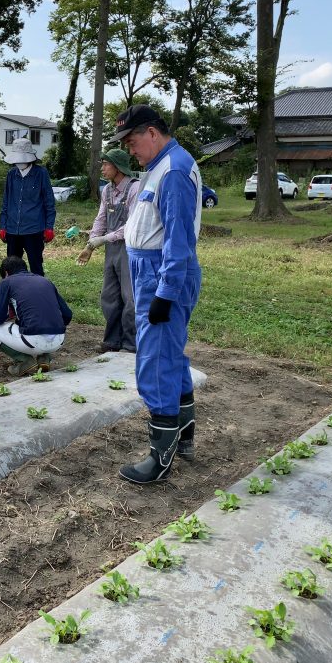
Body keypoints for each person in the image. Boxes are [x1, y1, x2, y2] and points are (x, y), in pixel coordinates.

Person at [112, 104, 203, 485]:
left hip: (160, 275)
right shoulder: (161, 167)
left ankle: (159, 457)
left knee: (155, 360)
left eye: (132, 142)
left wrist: (164, 293)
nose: (130, 150)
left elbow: (178, 240)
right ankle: (182, 436)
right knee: (171, 355)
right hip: (150, 271)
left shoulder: (175, 170)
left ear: (152, 133)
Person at [76, 148, 140, 353]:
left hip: (130, 248)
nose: (102, 168)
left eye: (106, 164)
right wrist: (91, 243)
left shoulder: (134, 188)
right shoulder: (108, 190)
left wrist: (103, 239)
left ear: (118, 167)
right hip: (111, 249)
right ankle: (112, 340)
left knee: (130, 297)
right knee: (110, 296)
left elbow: (131, 226)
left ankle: (131, 343)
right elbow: (101, 218)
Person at [0, 256, 73, 376]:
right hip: (58, 341)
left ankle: (24, 360)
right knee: (36, 322)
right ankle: (44, 358)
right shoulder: (45, 281)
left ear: (6, 273)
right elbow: (67, 315)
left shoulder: (7, 282)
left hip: (32, 342)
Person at [0, 138, 56, 276]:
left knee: (36, 267)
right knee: (11, 267)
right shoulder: (11, 174)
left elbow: (49, 202)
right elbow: (6, 201)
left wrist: (49, 227)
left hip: (34, 229)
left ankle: (38, 295)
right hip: (12, 230)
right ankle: (13, 295)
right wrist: (3, 226)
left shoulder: (41, 173)